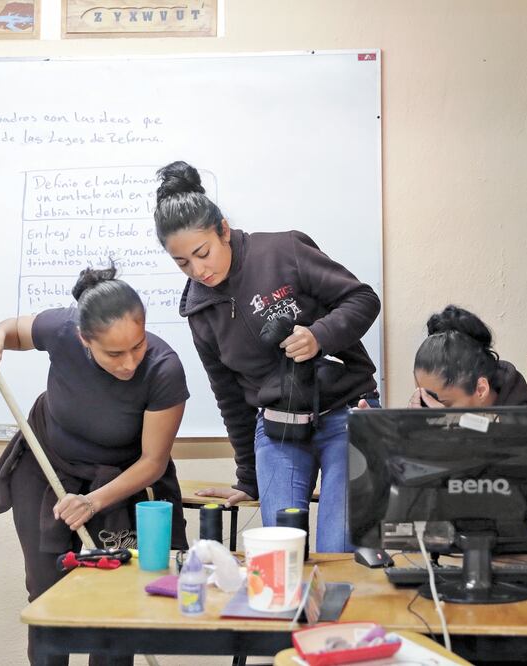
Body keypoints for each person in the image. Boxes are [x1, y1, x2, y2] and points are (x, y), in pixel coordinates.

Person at [153, 160, 381, 553]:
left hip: (347, 412)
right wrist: (248, 479)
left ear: (223, 229)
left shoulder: (282, 250)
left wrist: (319, 336)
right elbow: (228, 394)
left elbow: (363, 299)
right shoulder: (198, 310)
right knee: (277, 551)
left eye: (203, 252)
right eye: (183, 263)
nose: (198, 269)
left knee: (337, 547)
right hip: (278, 426)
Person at [0, 267, 189, 666]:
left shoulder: (164, 369)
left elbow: (153, 461)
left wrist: (92, 502)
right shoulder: (60, 328)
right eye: (114, 354)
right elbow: (15, 329)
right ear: (83, 340)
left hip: (121, 480)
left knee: (114, 600)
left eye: (137, 346)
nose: (129, 364)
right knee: (48, 596)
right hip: (46, 467)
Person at [393, 304, 527, 409]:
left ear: (481, 390)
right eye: (424, 400)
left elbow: (486, 431)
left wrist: (447, 428)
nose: (427, 409)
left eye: (441, 403)